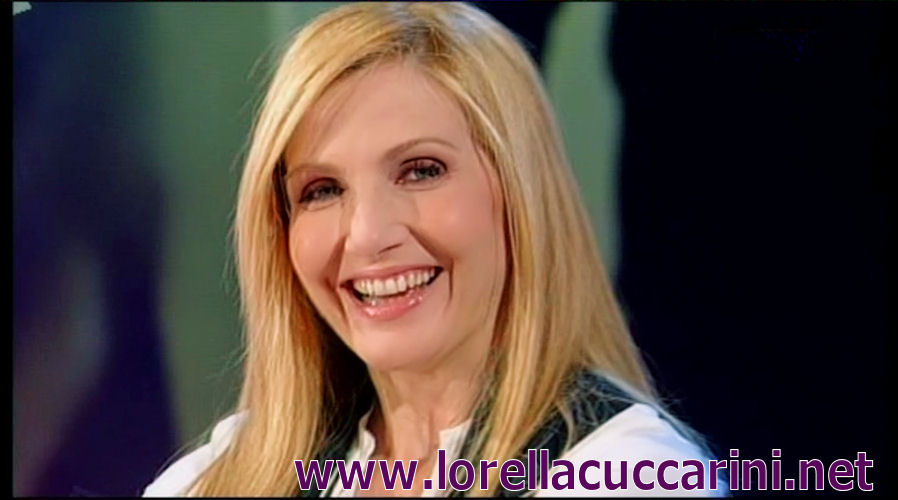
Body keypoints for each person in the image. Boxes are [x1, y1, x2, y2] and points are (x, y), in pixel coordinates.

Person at [144, 2, 724, 497]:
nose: (367, 234)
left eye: (421, 171)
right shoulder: (224, 474)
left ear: (520, 194)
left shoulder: (630, 473)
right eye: (322, 190)